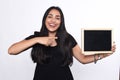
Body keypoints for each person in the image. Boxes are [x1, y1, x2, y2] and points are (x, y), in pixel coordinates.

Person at [8, 6, 116, 80]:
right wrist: (38, 40)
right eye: (50, 16)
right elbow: (11, 50)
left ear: (61, 22)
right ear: (45, 19)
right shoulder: (36, 38)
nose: (53, 21)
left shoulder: (67, 38)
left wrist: (104, 54)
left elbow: (82, 59)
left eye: (57, 18)